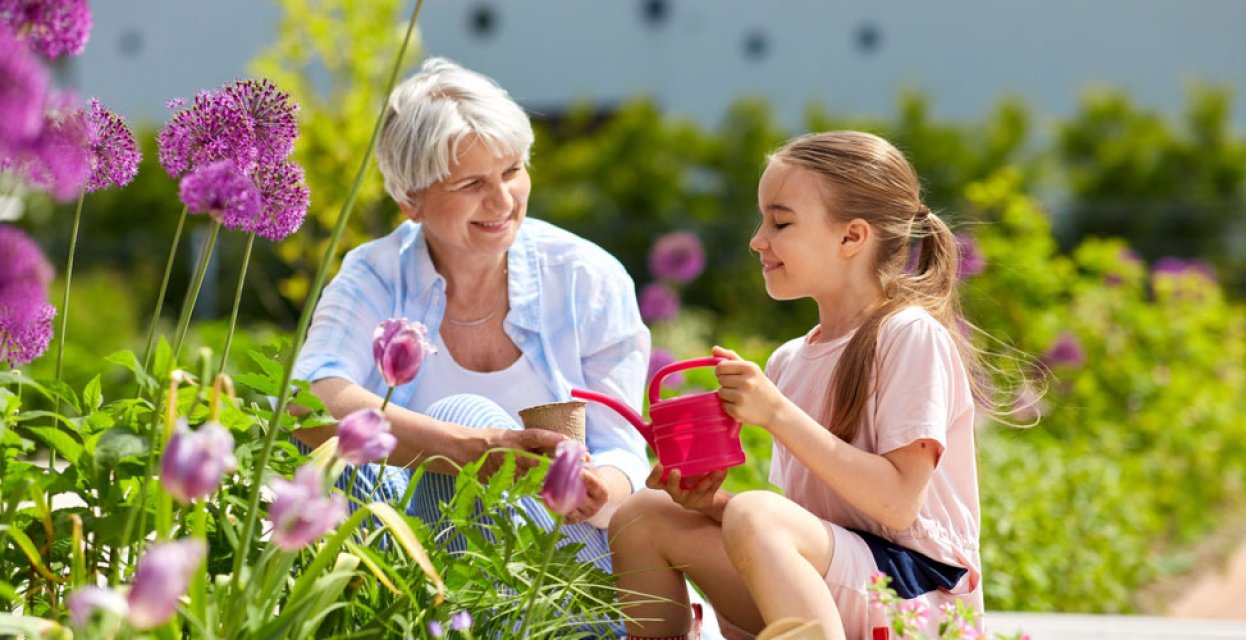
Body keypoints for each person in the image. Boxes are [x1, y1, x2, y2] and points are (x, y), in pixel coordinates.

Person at [610, 131, 993, 639]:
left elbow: (898, 505)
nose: (757, 239)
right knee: (644, 514)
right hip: (839, 586)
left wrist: (776, 414)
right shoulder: (790, 358)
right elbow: (803, 528)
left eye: (780, 221)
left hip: (918, 599)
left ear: (851, 237)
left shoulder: (909, 334)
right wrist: (712, 506)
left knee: (757, 512)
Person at [291, 56, 651, 579]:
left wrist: (595, 490)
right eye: (470, 184)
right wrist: (475, 448)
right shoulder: (375, 273)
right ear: (409, 199)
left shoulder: (585, 278)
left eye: (512, 171)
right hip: (420, 569)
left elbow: (622, 446)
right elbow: (308, 400)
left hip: (565, 572)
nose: (503, 200)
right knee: (398, 440)